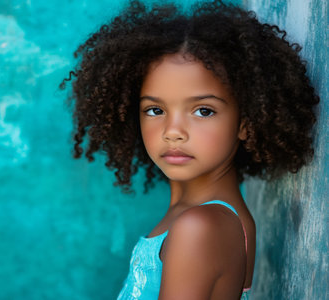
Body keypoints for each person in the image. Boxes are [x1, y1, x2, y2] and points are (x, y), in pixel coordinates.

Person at [60, 0, 319, 299]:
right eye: (155, 110)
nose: (172, 132)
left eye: (203, 111)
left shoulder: (200, 227)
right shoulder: (204, 217)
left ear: (246, 122)